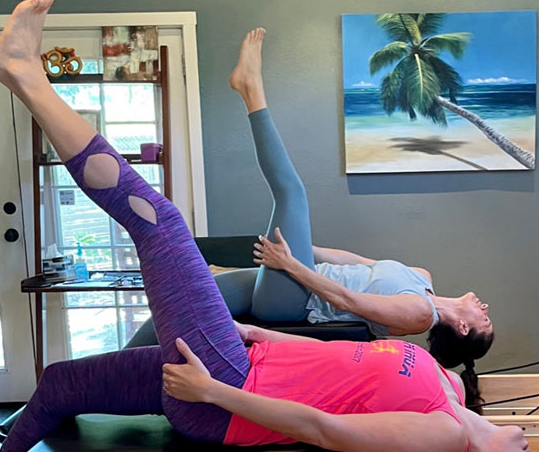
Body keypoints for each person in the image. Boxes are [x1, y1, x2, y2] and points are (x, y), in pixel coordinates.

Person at [0, 0, 537, 452]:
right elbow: (342, 372)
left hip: (228, 391)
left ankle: (25, 76)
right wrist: (269, 335)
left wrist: (215, 393)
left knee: (161, 224)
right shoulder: (450, 394)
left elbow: (322, 427)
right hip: (244, 362)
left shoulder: (442, 446)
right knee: (64, 385)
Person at [126, 29, 495, 380]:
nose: (486, 309)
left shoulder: (418, 314)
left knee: (292, 193)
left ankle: (251, 89)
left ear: (462, 328)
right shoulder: (422, 278)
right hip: (298, 278)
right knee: (189, 297)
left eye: (485, 321)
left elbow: (347, 299)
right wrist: (306, 249)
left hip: (297, 300)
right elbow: (358, 263)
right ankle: (110, 365)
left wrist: (291, 263)